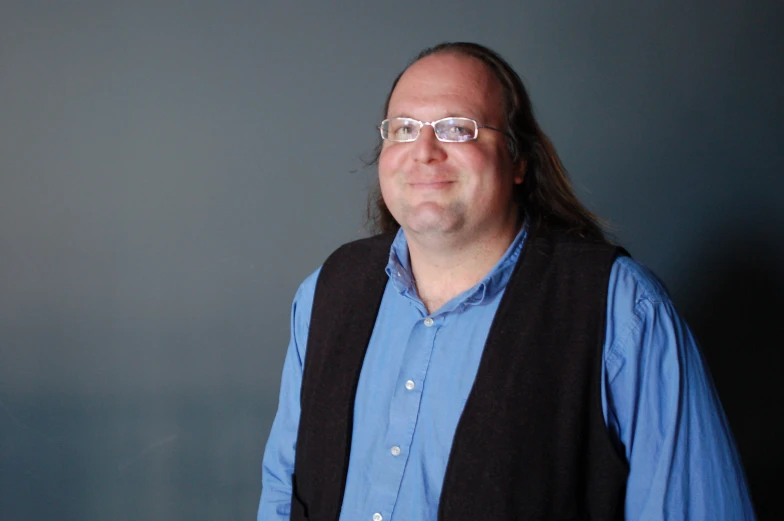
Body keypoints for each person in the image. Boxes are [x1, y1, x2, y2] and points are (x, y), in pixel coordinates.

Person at [257, 42, 756, 521]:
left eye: (457, 128)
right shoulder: (326, 293)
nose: (424, 151)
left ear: (518, 160)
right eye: (404, 129)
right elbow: (285, 488)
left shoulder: (622, 309)